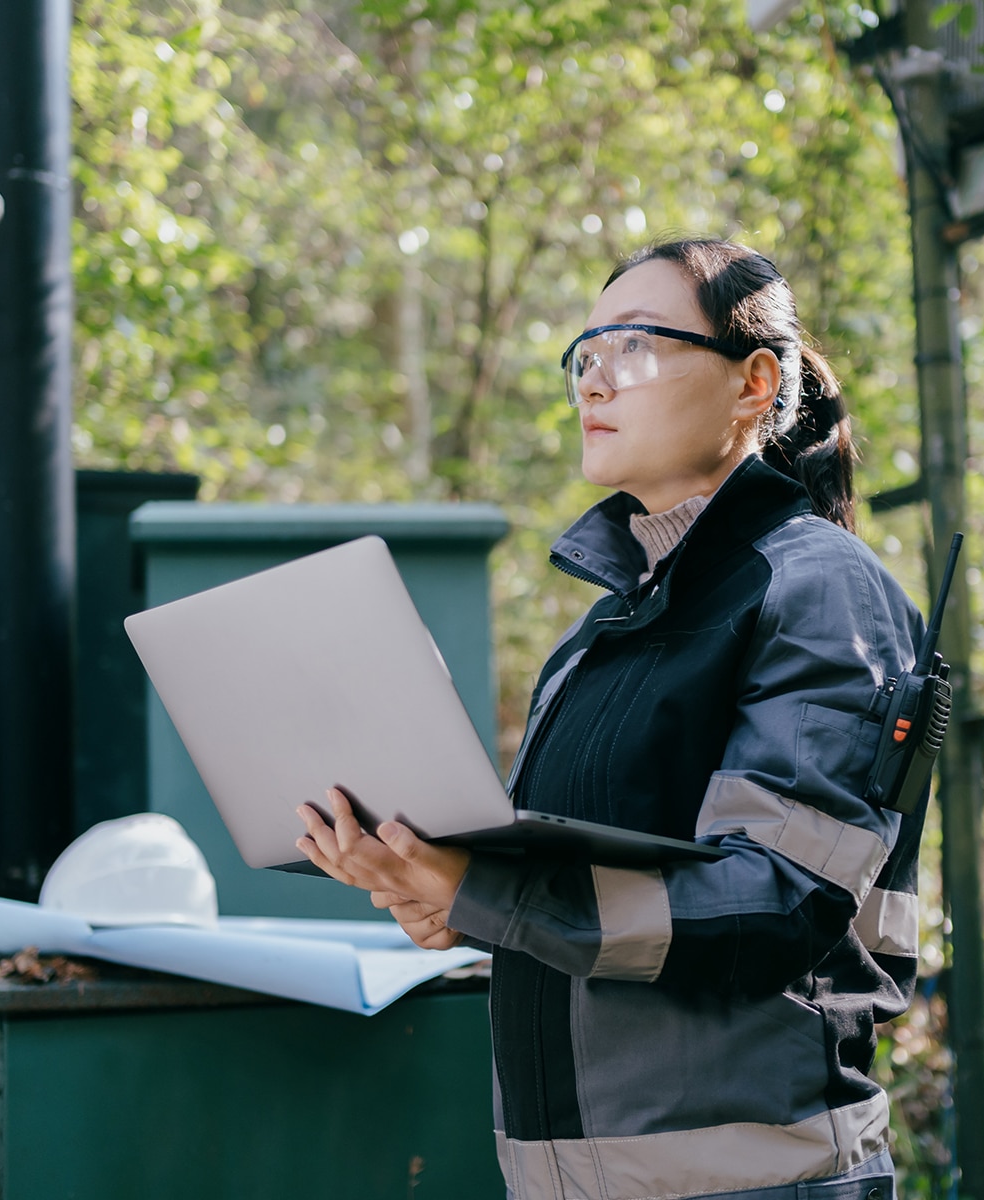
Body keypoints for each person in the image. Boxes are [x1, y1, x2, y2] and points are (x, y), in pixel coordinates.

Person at [296, 237, 927, 1200]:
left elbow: (776, 904)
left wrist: (488, 896)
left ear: (755, 384)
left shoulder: (823, 590)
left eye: (632, 347)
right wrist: (448, 900)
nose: (595, 381)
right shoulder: (605, 629)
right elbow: (578, 896)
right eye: (584, 356)